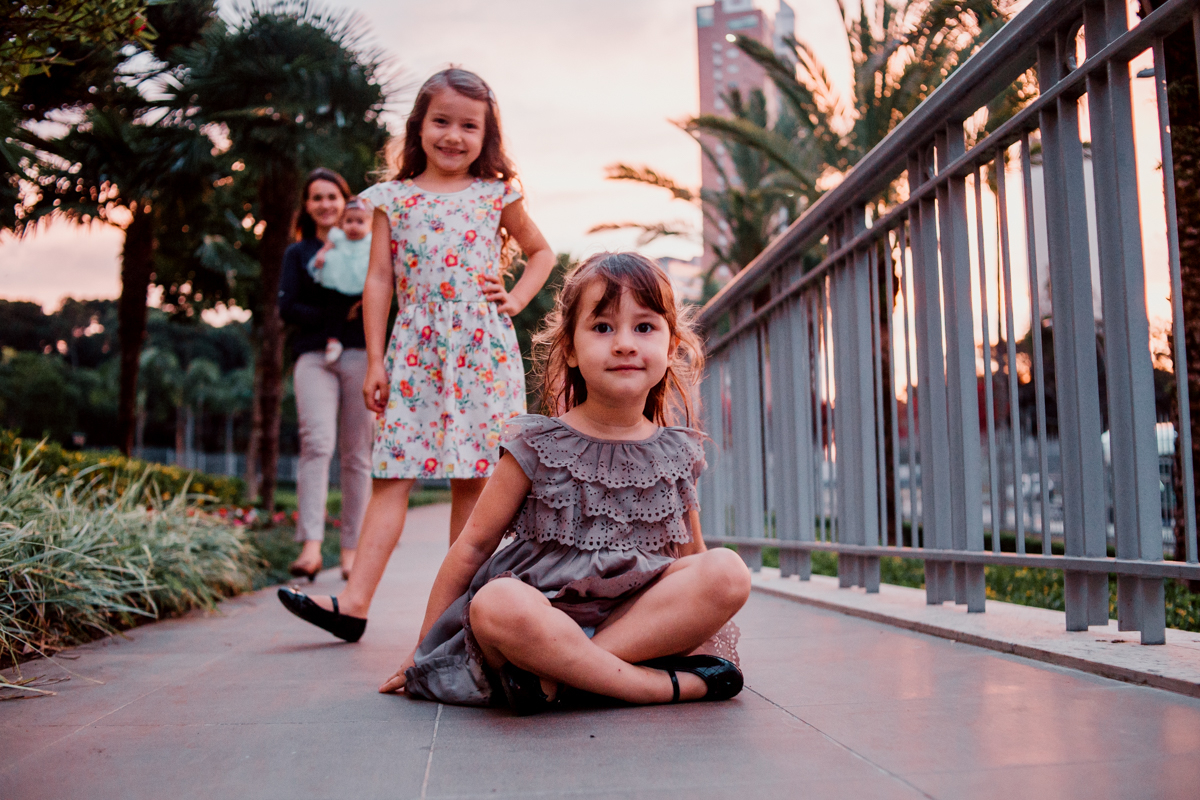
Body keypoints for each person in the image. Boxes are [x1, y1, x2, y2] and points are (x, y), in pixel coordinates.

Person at [382, 252, 751, 714]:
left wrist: (697, 609)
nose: (623, 344)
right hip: (538, 622)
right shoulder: (537, 441)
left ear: (671, 345)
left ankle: (560, 678)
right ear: (571, 349)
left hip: (631, 626)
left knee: (727, 570)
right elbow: (472, 547)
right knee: (497, 602)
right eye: (602, 327)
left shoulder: (678, 452)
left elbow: (690, 557)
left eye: (644, 327)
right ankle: (654, 687)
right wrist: (424, 651)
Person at [278, 68, 555, 638]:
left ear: (487, 135)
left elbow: (541, 252)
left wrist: (516, 298)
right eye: (441, 121)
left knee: (474, 480)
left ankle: (458, 614)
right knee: (391, 474)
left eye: (469, 126)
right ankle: (353, 605)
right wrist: (376, 360)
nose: (453, 135)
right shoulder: (391, 199)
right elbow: (379, 280)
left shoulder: (497, 193)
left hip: (481, 351)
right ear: (419, 127)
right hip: (414, 353)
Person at [278, 168, 374, 582]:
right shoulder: (298, 254)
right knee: (316, 444)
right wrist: (337, 313)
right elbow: (288, 308)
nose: (325, 204)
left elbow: (382, 294)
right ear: (307, 206)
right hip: (314, 357)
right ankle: (311, 547)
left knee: (357, 455)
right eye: (316, 197)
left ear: (345, 200)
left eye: (332, 196)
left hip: (359, 355)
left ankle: (351, 552)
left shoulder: (370, 246)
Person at [308, 196, 373, 364]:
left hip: (361, 283)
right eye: (349, 221)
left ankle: (370, 345)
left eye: (360, 222)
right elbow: (325, 249)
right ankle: (333, 341)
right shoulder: (338, 237)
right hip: (339, 280)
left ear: (370, 225)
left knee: (367, 311)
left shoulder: (370, 241)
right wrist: (321, 256)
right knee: (334, 309)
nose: (353, 226)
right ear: (341, 222)